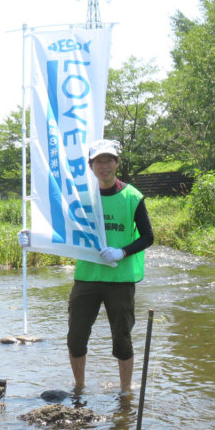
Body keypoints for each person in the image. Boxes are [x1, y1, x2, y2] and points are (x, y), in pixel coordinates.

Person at [20, 139, 154, 392]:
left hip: (120, 279)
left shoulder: (132, 196)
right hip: (87, 278)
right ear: (90, 166)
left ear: (117, 163)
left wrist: (122, 251)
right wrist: (33, 238)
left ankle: (125, 392)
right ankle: (79, 387)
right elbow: (62, 230)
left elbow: (148, 237)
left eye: (109, 160)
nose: (104, 166)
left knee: (122, 340)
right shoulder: (81, 199)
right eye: (98, 161)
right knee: (76, 338)